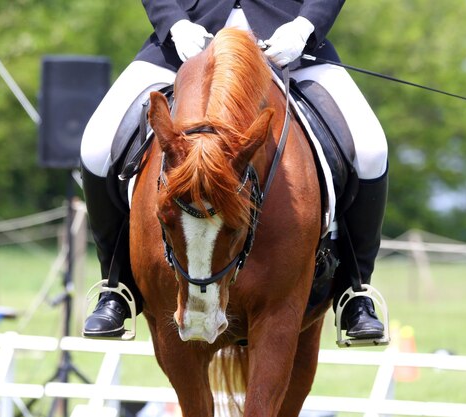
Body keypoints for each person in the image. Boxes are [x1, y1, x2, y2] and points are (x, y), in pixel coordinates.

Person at [80, 0, 388, 341]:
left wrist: (304, 28)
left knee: (371, 149)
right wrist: (175, 24)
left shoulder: (297, 34)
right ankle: (116, 286)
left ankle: (355, 291)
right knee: (95, 146)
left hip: (288, 44)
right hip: (185, 41)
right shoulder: (180, 33)